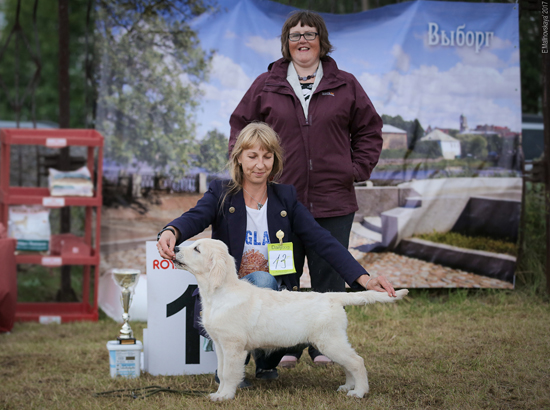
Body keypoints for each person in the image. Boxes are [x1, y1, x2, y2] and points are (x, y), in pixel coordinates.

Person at [157, 122, 394, 383]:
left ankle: (265, 361)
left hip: (274, 295)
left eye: (267, 157)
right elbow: (195, 216)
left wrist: (365, 279)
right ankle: (234, 367)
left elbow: (322, 240)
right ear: (238, 158)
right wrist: (172, 231)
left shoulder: (285, 198)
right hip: (231, 294)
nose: (260, 165)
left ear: (275, 160)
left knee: (264, 281)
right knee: (258, 281)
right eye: (252, 156)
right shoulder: (221, 193)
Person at [229, 10, 383, 367]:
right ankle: (287, 345)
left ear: (322, 41)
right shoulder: (266, 84)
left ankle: (323, 344)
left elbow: (370, 130)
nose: (303, 40)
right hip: (281, 198)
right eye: (295, 34)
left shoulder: (345, 84)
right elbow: (241, 126)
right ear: (286, 43)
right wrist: (250, 170)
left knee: (329, 268)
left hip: (334, 197)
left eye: (310, 34)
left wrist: (355, 169)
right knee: (285, 270)